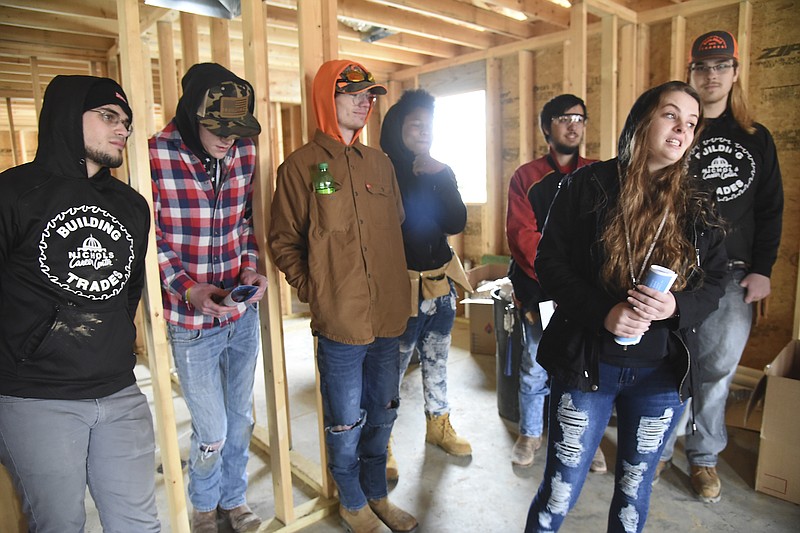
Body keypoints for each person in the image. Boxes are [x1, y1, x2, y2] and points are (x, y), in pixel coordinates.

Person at [524, 81, 728, 533]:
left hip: (659, 375)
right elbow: (549, 263)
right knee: (561, 487)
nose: (681, 129)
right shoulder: (587, 185)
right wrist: (604, 311)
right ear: (641, 121)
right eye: (670, 115)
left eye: (691, 123)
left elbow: (715, 282)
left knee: (635, 493)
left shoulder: (699, 203)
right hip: (587, 367)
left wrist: (676, 306)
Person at [0, 76, 160, 531]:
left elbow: (127, 291)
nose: (122, 130)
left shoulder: (131, 205)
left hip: (120, 391)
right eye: (108, 117)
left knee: (139, 523)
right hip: (36, 397)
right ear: (69, 117)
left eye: (126, 122)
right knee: (59, 525)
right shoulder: (13, 194)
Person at [269, 60, 417, 533]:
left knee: (384, 412)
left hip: (389, 316)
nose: (363, 101)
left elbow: (392, 225)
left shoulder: (381, 164)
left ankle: (377, 494)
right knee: (344, 420)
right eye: (351, 93)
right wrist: (318, 289)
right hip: (341, 324)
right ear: (323, 99)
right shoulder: (300, 167)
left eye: (369, 94)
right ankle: (352, 501)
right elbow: (283, 241)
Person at [655, 30, 784, 503]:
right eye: (702, 68)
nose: (711, 76)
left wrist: (763, 268)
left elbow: (770, 209)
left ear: (734, 73)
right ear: (691, 74)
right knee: (668, 363)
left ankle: (703, 457)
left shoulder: (754, 138)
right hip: (673, 270)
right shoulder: (678, 131)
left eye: (721, 67)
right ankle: (660, 449)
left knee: (717, 369)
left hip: (732, 273)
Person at [150, 63, 267, 533]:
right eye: (218, 128)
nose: (228, 140)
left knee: (240, 419)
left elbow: (244, 223)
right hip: (189, 320)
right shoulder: (155, 155)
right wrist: (188, 288)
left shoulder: (244, 153)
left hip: (241, 314)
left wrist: (251, 268)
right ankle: (203, 504)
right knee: (213, 430)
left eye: (237, 130)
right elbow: (149, 238)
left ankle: (234, 500)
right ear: (190, 114)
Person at [505, 94, 605, 472]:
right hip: (540, 290)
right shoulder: (526, 178)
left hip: (586, 293)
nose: (573, 125)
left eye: (580, 118)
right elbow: (522, 236)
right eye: (564, 118)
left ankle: (586, 438)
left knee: (584, 366)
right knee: (535, 364)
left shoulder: (598, 173)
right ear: (547, 127)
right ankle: (531, 432)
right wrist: (562, 281)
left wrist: (583, 286)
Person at [379, 89, 473, 478]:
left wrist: (440, 177)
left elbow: (455, 223)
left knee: (437, 362)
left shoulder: (440, 170)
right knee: (391, 370)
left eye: (429, 125)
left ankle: (438, 427)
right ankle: (380, 441)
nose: (423, 131)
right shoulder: (382, 170)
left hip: (441, 287)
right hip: (401, 291)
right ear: (397, 128)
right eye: (415, 124)